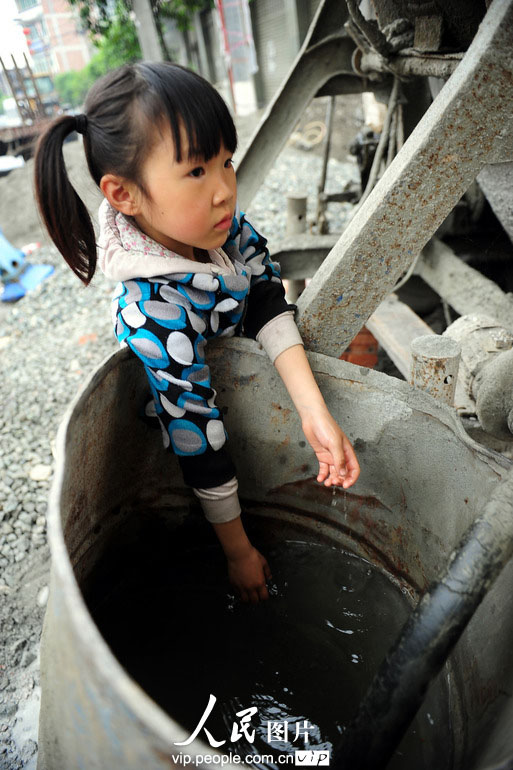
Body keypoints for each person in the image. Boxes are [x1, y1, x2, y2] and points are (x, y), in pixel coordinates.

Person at [34, 62, 360, 604]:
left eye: (225, 162)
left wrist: (313, 412)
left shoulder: (221, 230)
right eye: (196, 173)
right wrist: (237, 553)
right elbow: (198, 438)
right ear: (123, 194)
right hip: (183, 456)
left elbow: (263, 297)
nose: (225, 191)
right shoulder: (154, 313)